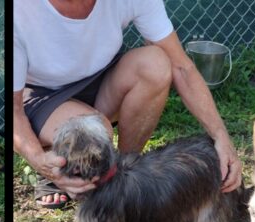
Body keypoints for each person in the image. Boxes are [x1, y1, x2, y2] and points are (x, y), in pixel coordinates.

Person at [13, 0, 242, 209]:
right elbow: (13, 113)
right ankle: (56, 159)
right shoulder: (20, 11)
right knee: (95, 130)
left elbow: (181, 67)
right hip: (43, 95)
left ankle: (124, 172)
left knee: (155, 64)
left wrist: (221, 135)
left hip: (101, 76)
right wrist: (39, 161)